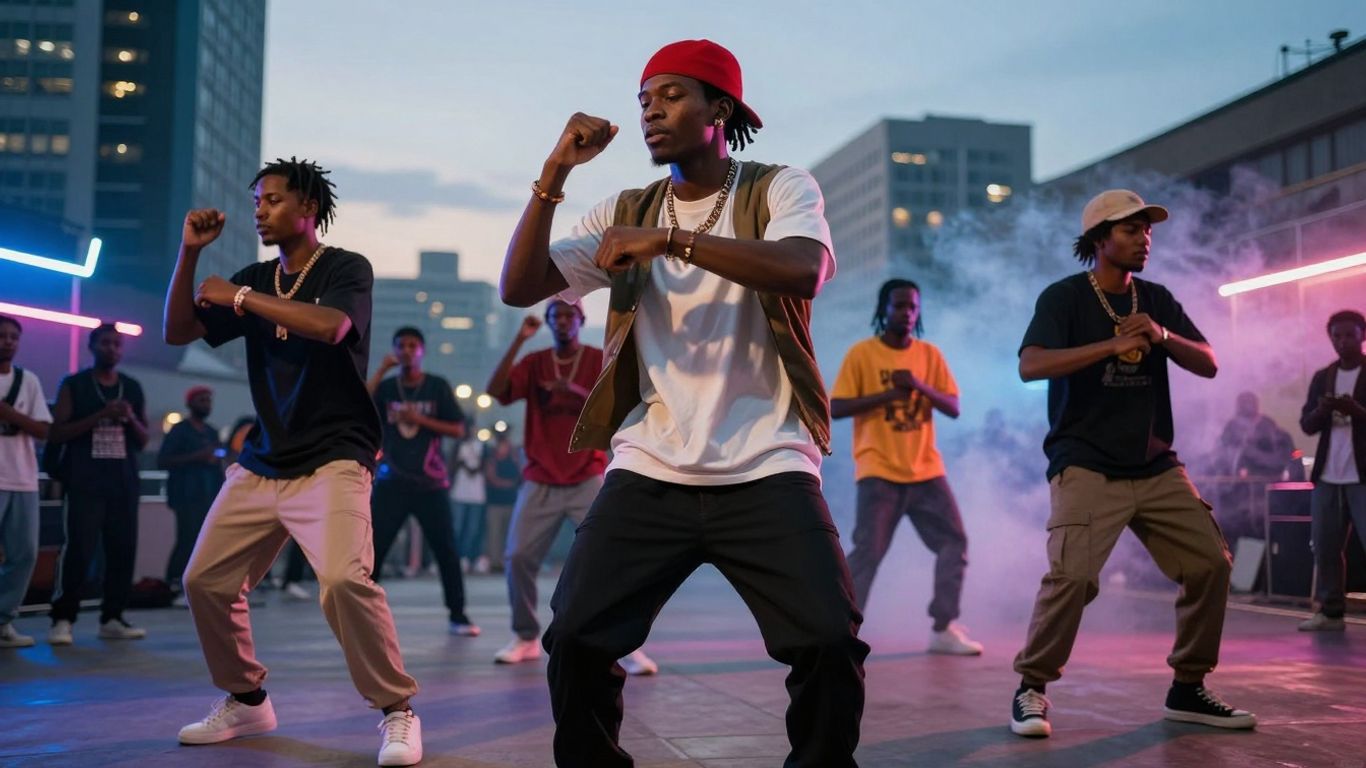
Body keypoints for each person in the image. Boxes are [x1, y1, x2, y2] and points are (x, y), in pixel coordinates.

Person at [500, 39, 867, 767]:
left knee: (829, 641)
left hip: (767, 462)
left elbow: (803, 269)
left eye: (670, 95)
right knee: (575, 639)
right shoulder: (625, 208)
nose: (650, 112)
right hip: (651, 464)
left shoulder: (777, 187)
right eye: (643, 100)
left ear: (719, 109)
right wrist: (554, 174)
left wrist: (669, 242)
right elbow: (522, 286)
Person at [163, 157, 421, 765]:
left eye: (273, 200)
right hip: (263, 461)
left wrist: (242, 298)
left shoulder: (344, 268)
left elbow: (332, 327)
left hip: (335, 457)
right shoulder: (255, 276)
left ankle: (397, 711)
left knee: (341, 580)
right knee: (205, 580)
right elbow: (176, 331)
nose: (260, 210)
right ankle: (247, 699)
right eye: (257, 201)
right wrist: (191, 253)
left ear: (307, 208)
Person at [1009, 189, 1254, 738]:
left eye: (1148, 231)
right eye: (1131, 230)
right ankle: (1031, 688)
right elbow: (1031, 366)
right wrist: (1109, 348)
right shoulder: (1065, 298)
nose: (1145, 239)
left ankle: (1188, 687)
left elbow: (1210, 362)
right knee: (1071, 577)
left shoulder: (1156, 299)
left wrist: (1160, 335)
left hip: (1155, 463)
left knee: (1210, 564)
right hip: (1085, 462)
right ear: (1100, 240)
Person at [485, 306, 657, 676]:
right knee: (517, 557)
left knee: (614, 558)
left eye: (568, 316)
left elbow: (619, 407)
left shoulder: (597, 359)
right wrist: (519, 338)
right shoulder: (535, 361)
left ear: (581, 320)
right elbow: (495, 391)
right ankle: (526, 636)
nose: (561, 322)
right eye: (555, 316)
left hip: (586, 474)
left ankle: (622, 645)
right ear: (547, 323)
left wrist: (576, 391)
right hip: (540, 476)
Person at [831, 279, 982, 655]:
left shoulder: (929, 356)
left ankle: (943, 628)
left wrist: (917, 385)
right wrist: (889, 394)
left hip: (926, 470)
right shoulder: (862, 354)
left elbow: (953, 407)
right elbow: (836, 408)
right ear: (883, 310)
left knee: (954, 542)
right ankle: (840, 630)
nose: (906, 313)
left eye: (912, 307)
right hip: (878, 470)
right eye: (899, 306)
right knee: (868, 553)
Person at [366, 326, 478, 636]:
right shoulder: (387, 388)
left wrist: (420, 419)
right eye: (400, 345)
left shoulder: (437, 387)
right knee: (373, 550)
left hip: (431, 483)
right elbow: (360, 404)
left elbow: (458, 429)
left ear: (422, 351)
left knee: (446, 551)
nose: (406, 351)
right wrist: (381, 370)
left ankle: (458, 615)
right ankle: (363, 615)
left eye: (412, 345)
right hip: (392, 481)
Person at [46, 324, 149, 644]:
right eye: (106, 343)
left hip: (122, 481)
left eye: (117, 345)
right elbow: (57, 433)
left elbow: (144, 440)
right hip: (85, 481)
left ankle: (113, 617)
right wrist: (101, 414)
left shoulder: (131, 387)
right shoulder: (74, 384)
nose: (112, 349)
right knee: (79, 549)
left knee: (122, 551)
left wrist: (128, 417)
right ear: (92, 346)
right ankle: (63, 619)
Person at [1297, 309, 1366, 632]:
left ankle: (1333, 610)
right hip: (1328, 475)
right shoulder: (1323, 377)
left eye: (1349, 335)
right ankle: (1331, 612)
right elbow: (1307, 426)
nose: (1342, 342)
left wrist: (1357, 411)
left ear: (1362, 336)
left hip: (1362, 475)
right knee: (1324, 545)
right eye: (1336, 336)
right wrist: (1324, 410)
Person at [0, 315, 53, 648]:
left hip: (22, 478)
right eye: (2, 335)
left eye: (13, 337)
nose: (7, 341)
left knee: (25, 554)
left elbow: (45, 431)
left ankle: (4, 620)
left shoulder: (28, 380)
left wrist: (10, 414)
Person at [157, 386, 225, 597]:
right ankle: (174, 584)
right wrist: (198, 456)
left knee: (205, 543)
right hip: (185, 495)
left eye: (208, 401)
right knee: (186, 539)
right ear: (190, 403)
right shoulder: (179, 430)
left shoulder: (212, 431)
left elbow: (217, 459)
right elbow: (163, 460)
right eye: (202, 400)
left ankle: (199, 585)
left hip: (208, 495)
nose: (206, 404)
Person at [449, 426, 488, 574]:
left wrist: (472, 467)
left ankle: (468, 558)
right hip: (459, 492)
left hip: (477, 494)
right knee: (457, 527)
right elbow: (451, 466)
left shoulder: (482, 446)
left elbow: (485, 466)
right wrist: (462, 464)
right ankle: (456, 558)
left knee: (473, 529)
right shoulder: (458, 445)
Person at [483, 432, 522, 573]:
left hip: (511, 502)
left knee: (509, 534)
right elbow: (491, 477)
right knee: (495, 533)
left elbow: (520, 474)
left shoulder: (513, 459)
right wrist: (507, 484)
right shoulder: (492, 460)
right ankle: (495, 562)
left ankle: (507, 561)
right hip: (495, 502)